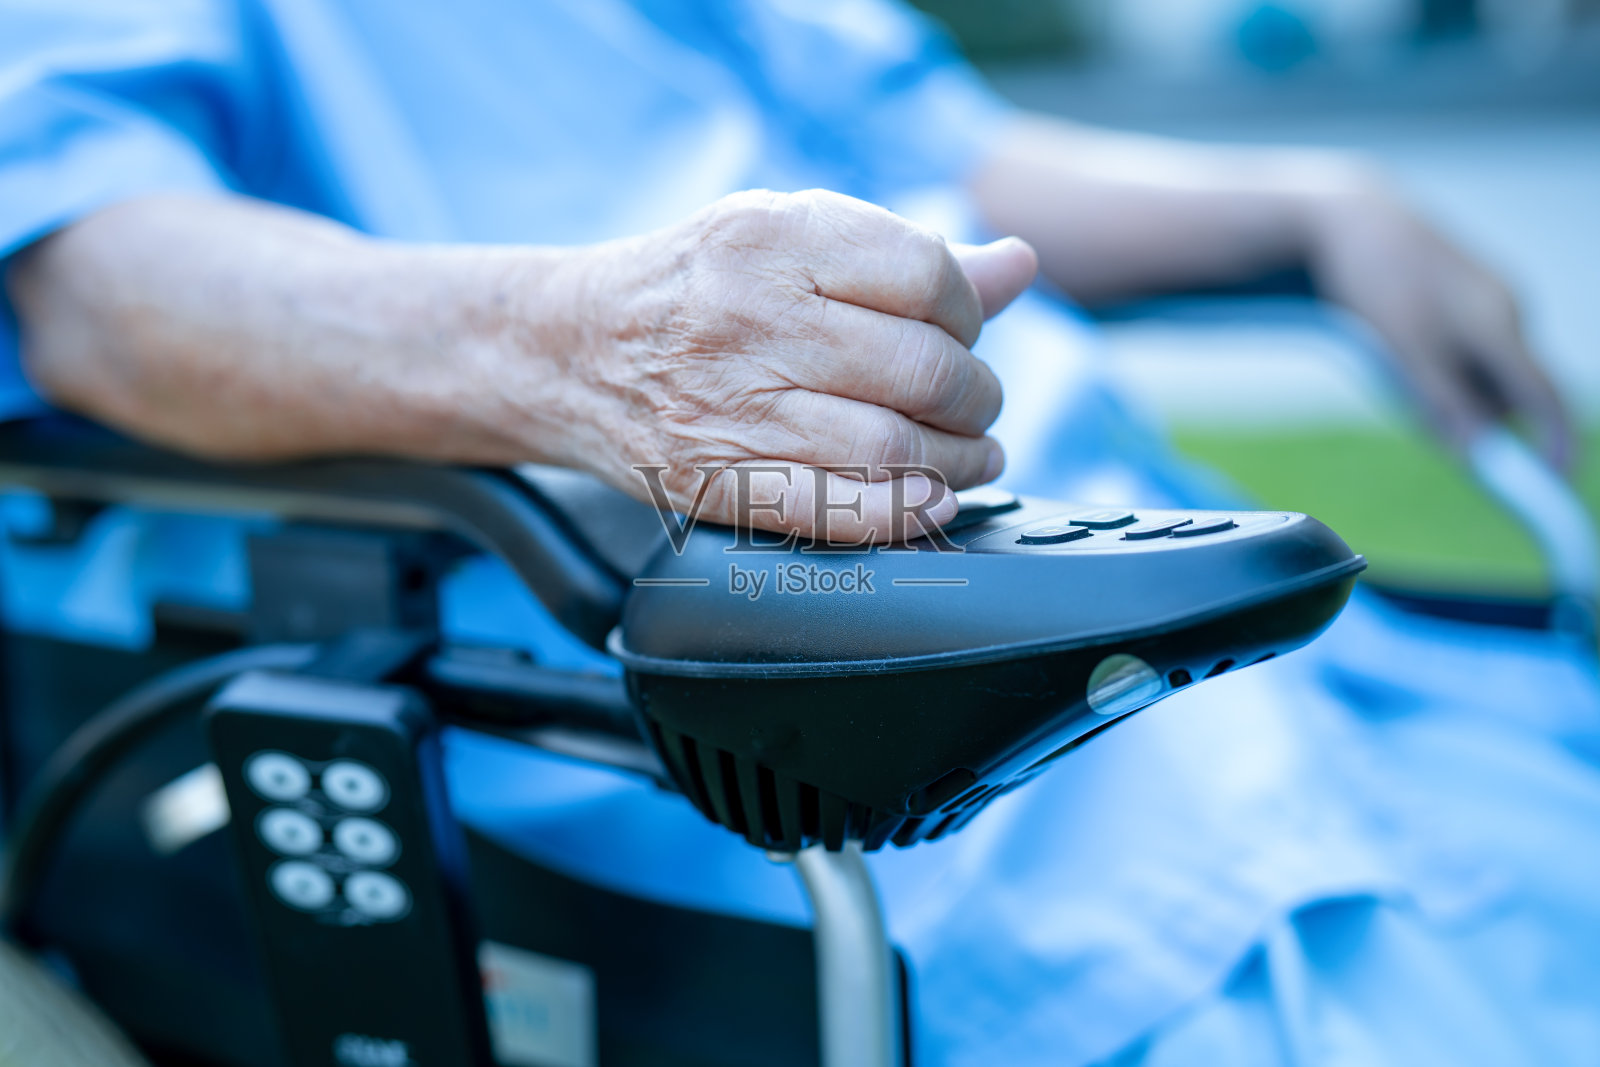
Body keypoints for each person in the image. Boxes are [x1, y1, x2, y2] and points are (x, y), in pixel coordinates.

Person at [2, 1, 1598, 1063]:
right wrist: (576, 345)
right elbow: (90, 283)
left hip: (1157, 610)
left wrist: (1306, 204)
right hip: (703, 702)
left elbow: (929, 155)